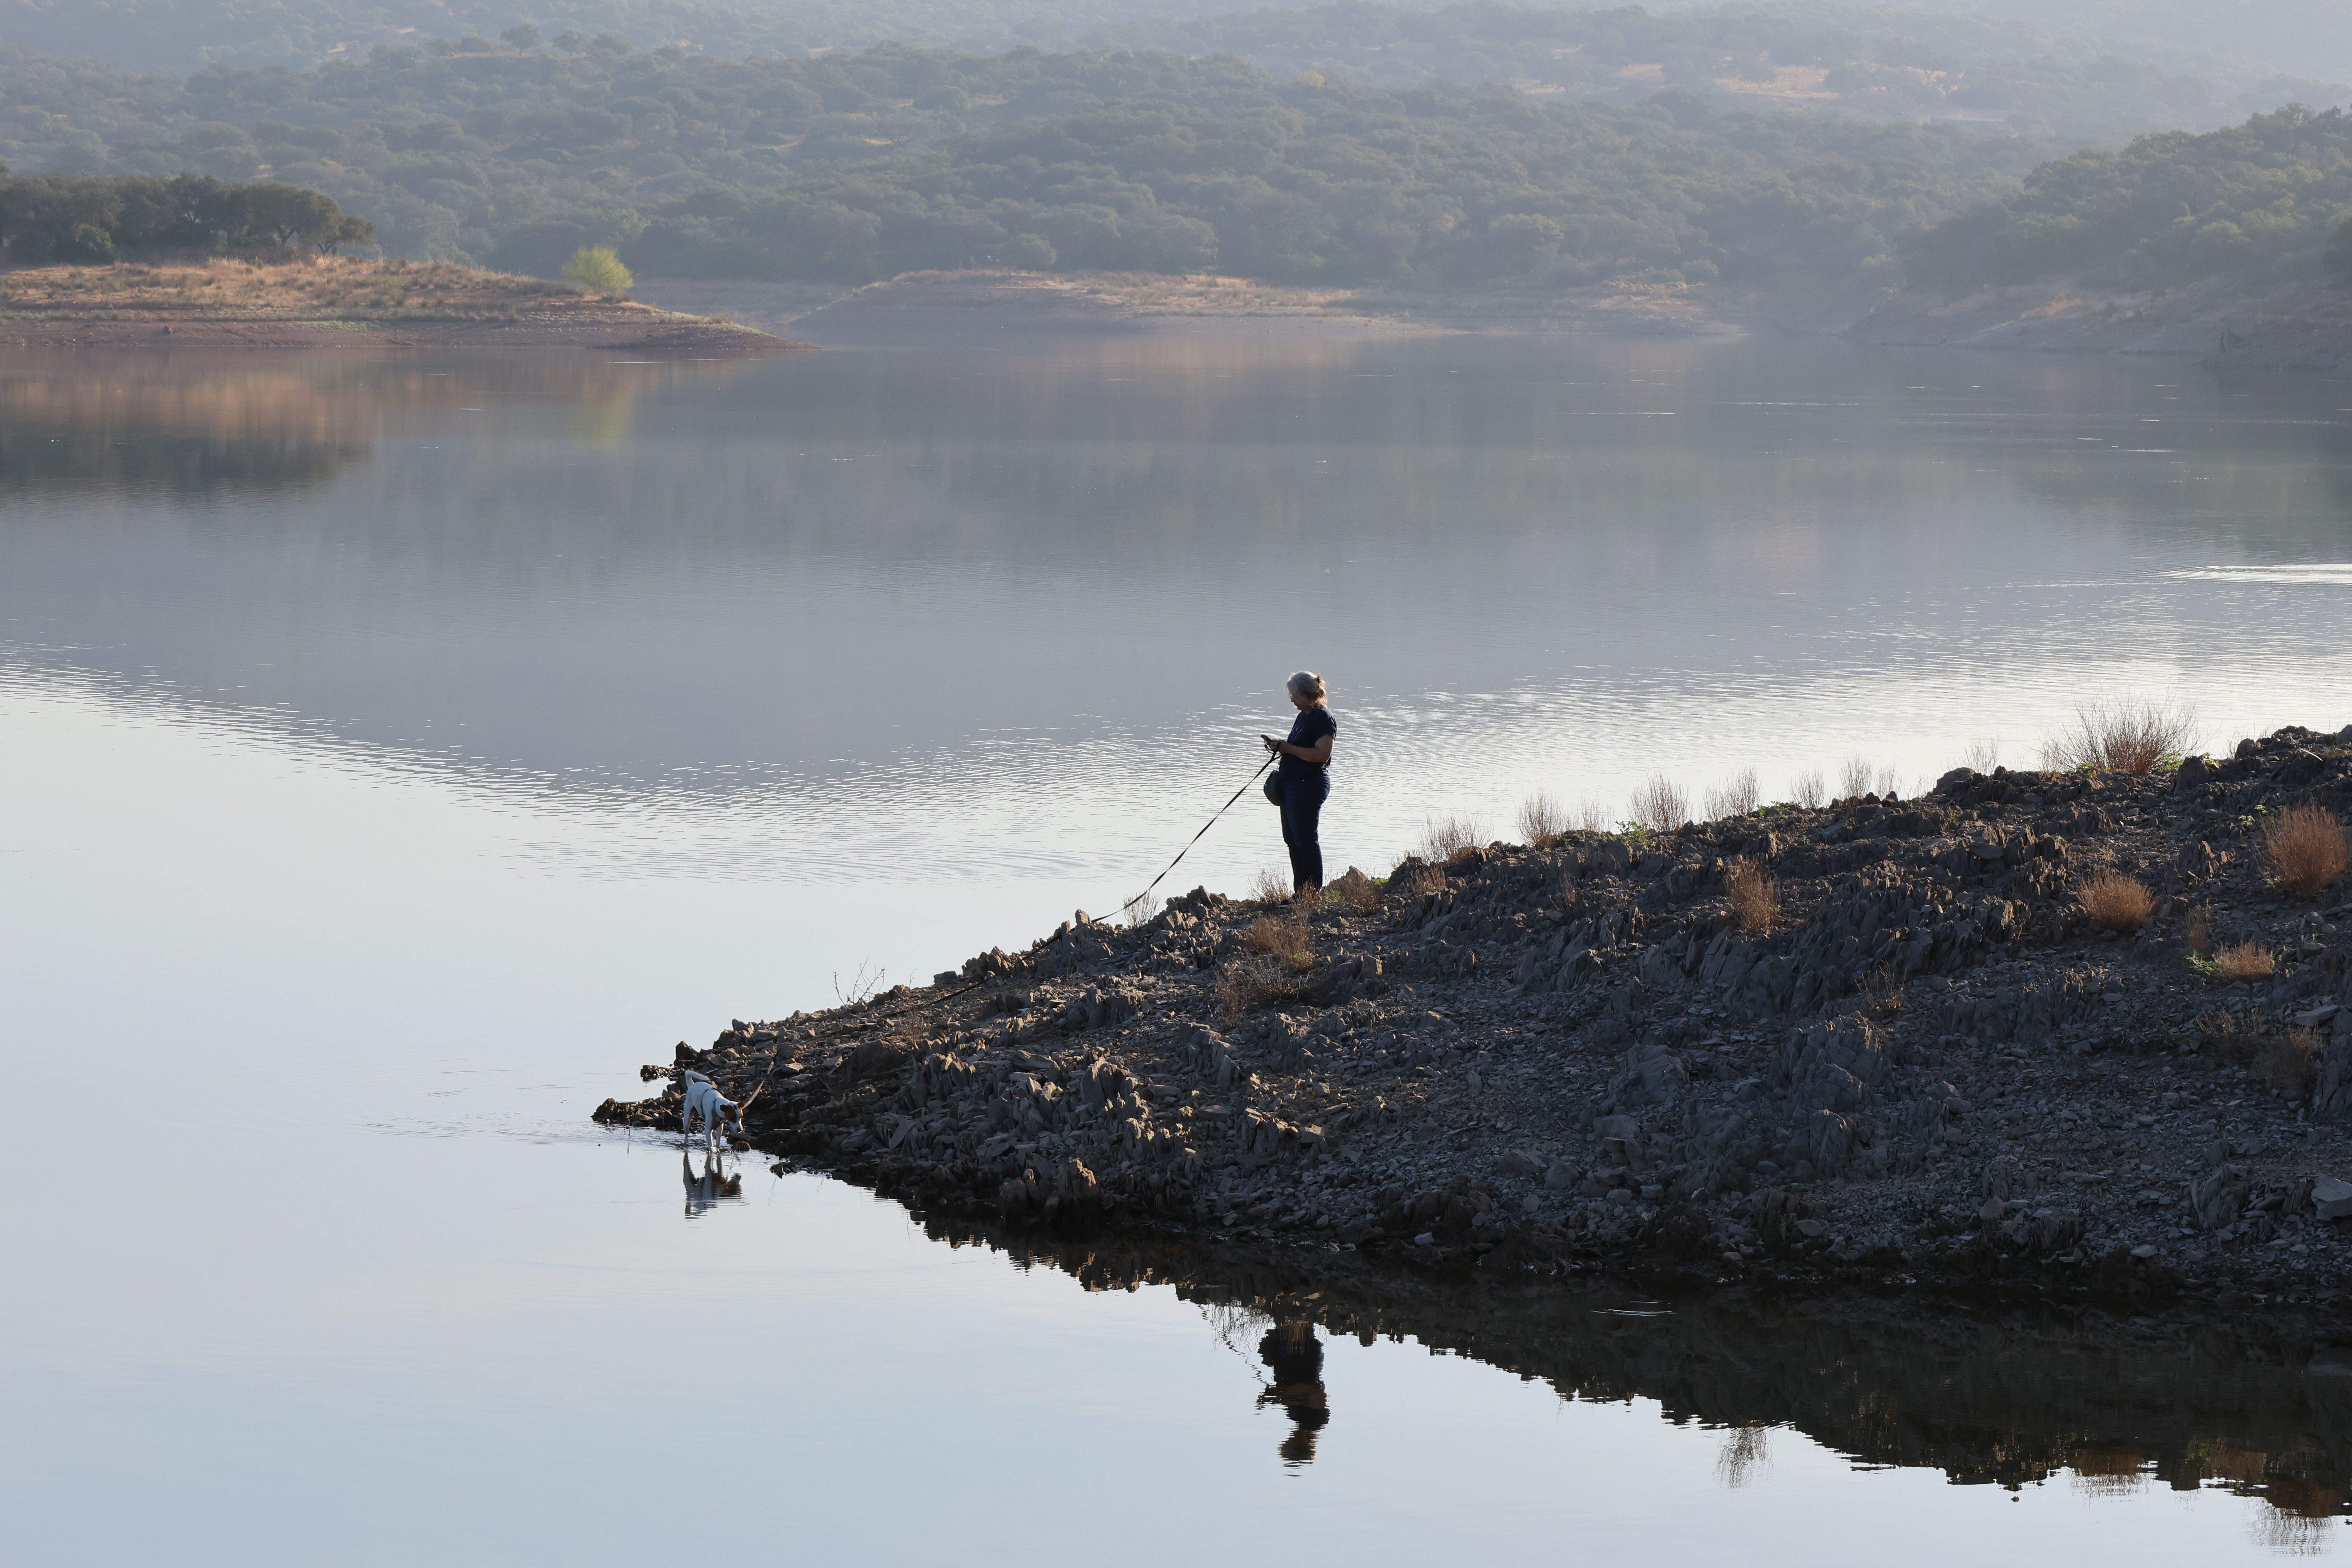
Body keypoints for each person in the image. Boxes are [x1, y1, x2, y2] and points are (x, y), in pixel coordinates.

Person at [1262, 670, 1336, 893]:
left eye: (1294, 696)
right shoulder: (1304, 715)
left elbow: (1322, 754)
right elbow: (1298, 748)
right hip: (1292, 785)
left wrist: (1288, 749)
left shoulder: (1323, 717)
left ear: (1306, 694)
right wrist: (1280, 747)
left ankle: (1311, 894)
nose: (1292, 701)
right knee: (1292, 839)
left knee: (1305, 839)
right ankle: (1301, 893)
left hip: (1308, 785)